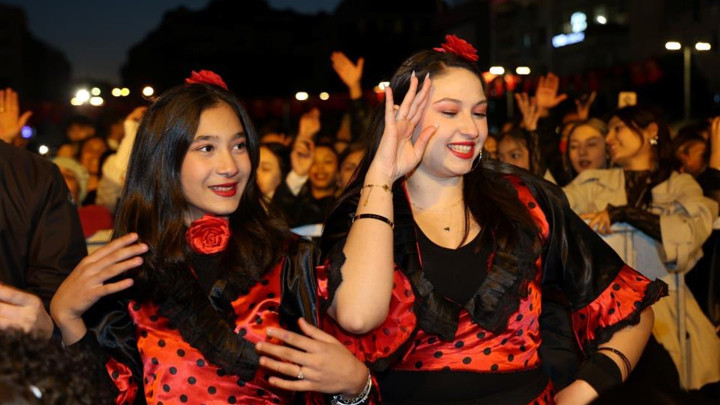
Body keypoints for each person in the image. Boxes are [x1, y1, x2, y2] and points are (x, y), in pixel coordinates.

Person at [262, 35, 667, 404]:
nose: (471, 129)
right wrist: (382, 175)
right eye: (450, 111)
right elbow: (357, 315)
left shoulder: (526, 202)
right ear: (402, 118)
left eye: (479, 112)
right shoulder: (366, 210)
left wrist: (581, 391)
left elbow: (630, 305)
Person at [50, 71, 368, 404]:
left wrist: (357, 385)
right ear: (163, 160)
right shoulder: (130, 270)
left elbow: (330, 380)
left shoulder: (291, 259)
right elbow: (111, 395)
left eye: (239, 145)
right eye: (206, 148)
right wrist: (67, 317)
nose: (230, 165)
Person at [563, 106, 720, 390]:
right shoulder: (591, 183)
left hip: (671, 314)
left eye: (618, 128)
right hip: (605, 316)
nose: (609, 138)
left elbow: (692, 232)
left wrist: (624, 214)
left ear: (651, 131)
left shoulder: (680, 185)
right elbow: (553, 212)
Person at [0, 117, 86, 340]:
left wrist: (42, 326)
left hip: (15, 349)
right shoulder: (34, 173)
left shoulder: (35, 174)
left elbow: (58, 290)